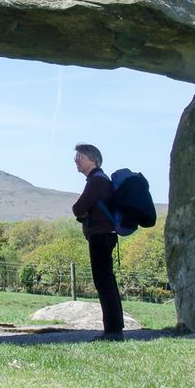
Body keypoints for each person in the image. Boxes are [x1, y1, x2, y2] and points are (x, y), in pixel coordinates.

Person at [71, 143, 125, 341]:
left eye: (80, 157)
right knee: (106, 280)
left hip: (100, 235)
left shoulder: (96, 181)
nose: (76, 161)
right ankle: (114, 328)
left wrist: (82, 212)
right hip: (105, 234)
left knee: (103, 282)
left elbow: (78, 208)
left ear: (93, 159)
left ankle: (112, 331)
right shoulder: (99, 180)